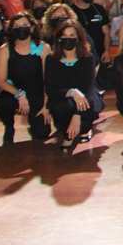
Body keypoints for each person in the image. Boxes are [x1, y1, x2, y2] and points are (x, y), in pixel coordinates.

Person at [46, 20, 102, 152]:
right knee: (63, 107)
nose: (68, 39)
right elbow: (51, 88)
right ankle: (69, 131)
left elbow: (88, 87)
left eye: (72, 35)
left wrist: (77, 115)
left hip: (86, 98)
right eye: (65, 36)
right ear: (59, 38)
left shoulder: (87, 58)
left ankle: (81, 129)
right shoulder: (51, 59)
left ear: (78, 38)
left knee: (86, 104)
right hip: (63, 98)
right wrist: (71, 92)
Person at [0, 12, 51, 144]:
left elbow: (48, 80)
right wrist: (19, 94)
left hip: (37, 92)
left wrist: (46, 106)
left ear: (32, 27)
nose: (21, 28)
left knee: (42, 133)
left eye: (25, 25)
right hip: (14, 91)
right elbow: (1, 81)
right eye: (17, 26)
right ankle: (9, 127)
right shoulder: (5, 49)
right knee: (4, 104)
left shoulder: (42, 48)